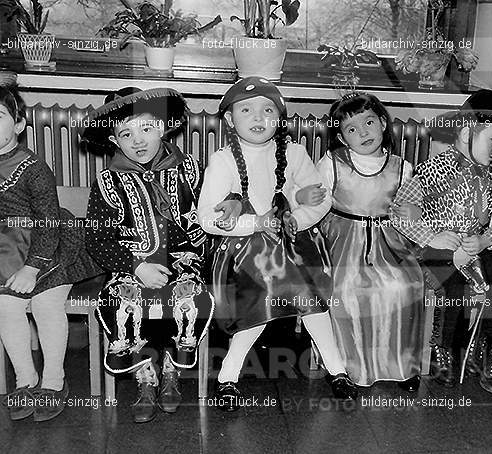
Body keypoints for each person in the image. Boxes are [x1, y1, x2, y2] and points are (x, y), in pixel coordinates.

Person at [197, 77, 357, 412]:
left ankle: (336, 369)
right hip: (241, 248)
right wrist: (256, 222)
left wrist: (294, 218)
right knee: (268, 284)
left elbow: (320, 199)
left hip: (294, 241)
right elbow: (209, 219)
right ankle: (229, 374)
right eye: (247, 110)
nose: (258, 117)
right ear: (229, 119)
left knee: (303, 285)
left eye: (268, 110)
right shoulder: (224, 160)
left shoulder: (295, 154)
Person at [82, 87, 214, 423]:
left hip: (183, 258)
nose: (137, 140)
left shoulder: (191, 170)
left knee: (187, 295)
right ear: (114, 141)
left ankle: (171, 368)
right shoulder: (108, 181)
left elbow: (215, 207)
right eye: (126, 134)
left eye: (146, 128)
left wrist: (231, 202)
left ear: (163, 126)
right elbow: (97, 239)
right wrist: (135, 267)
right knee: (121, 300)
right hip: (132, 262)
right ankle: (145, 375)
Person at [391, 89, 492, 388]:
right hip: (439, 249)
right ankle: (441, 349)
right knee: (450, 287)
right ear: (468, 130)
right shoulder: (433, 170)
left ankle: (481, 342)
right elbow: (399, 213)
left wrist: (486, 240)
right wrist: (433, 236)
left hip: (479, 248)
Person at [311, 92, 424, 390]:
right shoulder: (332, 164)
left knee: (403, 287)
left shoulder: (402, 168)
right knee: (347, 290)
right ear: (341, 137)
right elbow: (316, 207)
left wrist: (414, 212)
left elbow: (411, 212)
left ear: (383, 123)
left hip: (389, 241)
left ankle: (401, 366)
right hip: (343, 241)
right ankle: (348, 368)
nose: (363, 133)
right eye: (351, 129)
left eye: (369, 123)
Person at [0, 86, 99, 421]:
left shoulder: (33, 168)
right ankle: (25, 380)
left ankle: (54, 380)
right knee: (5, 305)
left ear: (18, 125)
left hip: (50, 245)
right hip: (6, 250)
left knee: (46, 303)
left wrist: (32, 268)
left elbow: (48, 221)